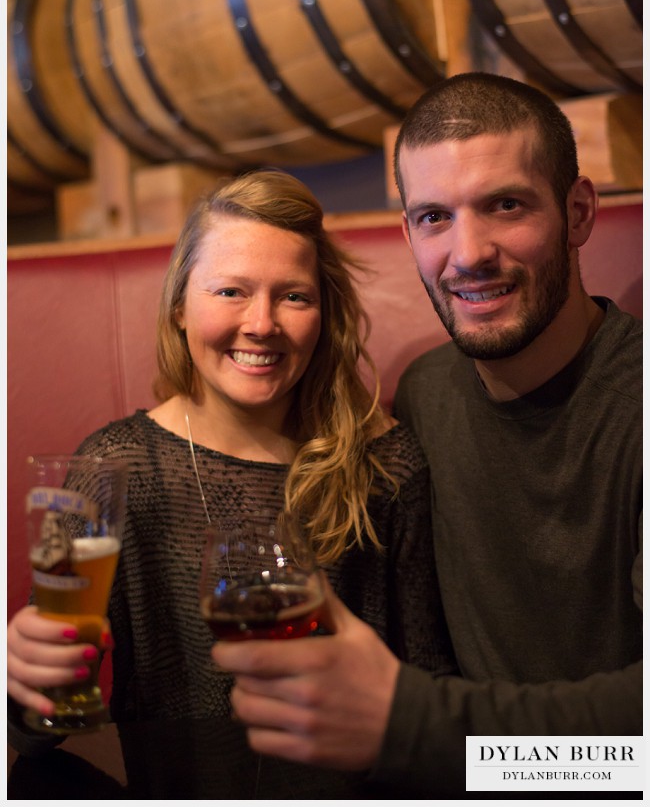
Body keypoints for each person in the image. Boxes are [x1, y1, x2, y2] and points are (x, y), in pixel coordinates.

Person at [209, 74, 642, 795]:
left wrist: (414, 726)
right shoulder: (426, 393)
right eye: (434, 217)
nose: (468, 252)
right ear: (408, 231)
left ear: (578, 212)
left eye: (506, 206)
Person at [7, 170, 456, 753]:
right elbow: (48, 723)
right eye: (230, 291)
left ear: (325, 317)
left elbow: (433, 688)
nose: (262, 323)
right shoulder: (117, 467)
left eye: (294, 296)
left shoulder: (386, 465)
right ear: (179, 309)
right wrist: (22, 683)